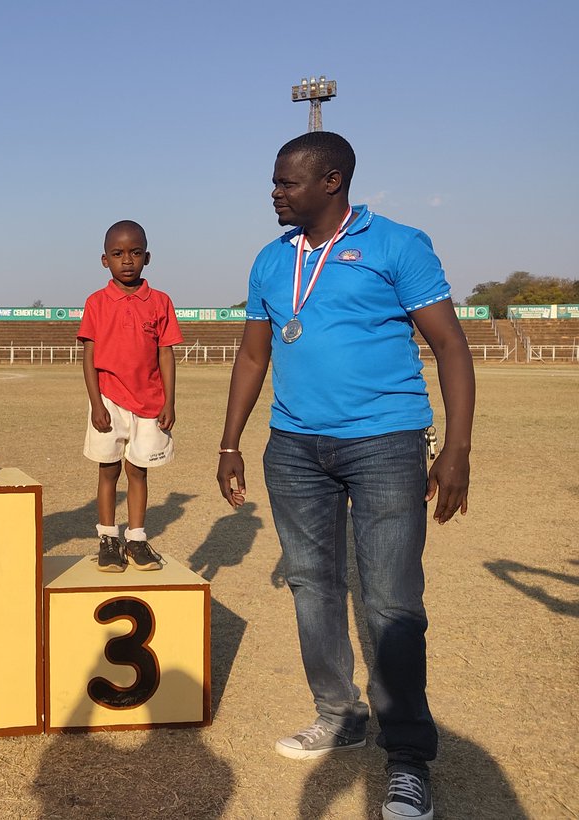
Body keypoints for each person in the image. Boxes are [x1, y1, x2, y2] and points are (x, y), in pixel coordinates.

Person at [215, 131, 474, 820]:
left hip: (386, 443)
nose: (275, 192)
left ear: (331, 182)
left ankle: (409, 757)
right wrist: (229, 442)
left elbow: (449, 342)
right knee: (312, 586)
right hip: (295, 449)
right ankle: (338, 713)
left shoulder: (397, 244)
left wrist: (456, 448)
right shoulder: (271, 260)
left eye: (287, 182)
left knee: (392, 601)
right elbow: (251, 355)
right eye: (274, 181)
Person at [77, 220, 182, 572]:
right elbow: (89, 355)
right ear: (104, 260)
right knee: (109, 471)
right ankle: (108, 538)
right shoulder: (96, 302)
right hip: (108, 399)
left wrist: (169, 401)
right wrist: (95, 404)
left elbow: (166, 353)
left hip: (149, 402)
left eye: (135, 253)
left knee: (138, 472)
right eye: (118, 254)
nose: (127, 260)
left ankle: (136, 538)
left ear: (147, 257)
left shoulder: (161, 302)